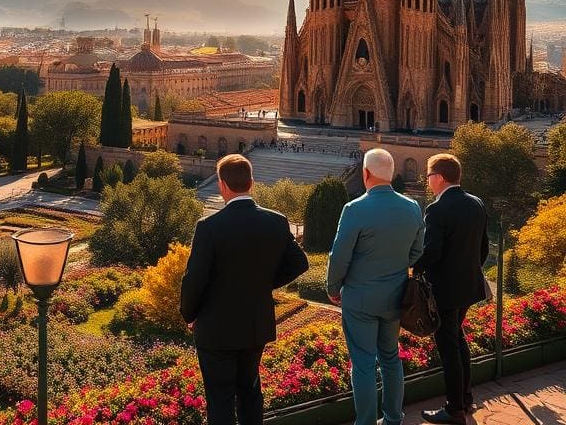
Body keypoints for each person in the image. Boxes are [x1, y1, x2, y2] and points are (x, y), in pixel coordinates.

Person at [180, 154, 309, 425]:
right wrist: (263, 284)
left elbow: (194, 279)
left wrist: (189, 314)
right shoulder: (276, 221)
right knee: (250, 393)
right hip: (254, 325)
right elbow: (300, 262)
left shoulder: (209, 227)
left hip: (216, 328)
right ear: (251, 182)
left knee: (220, 399)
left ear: (222, 185)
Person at [327, 148, 425, 425]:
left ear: (365, 173)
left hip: (359, 299)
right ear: (393, 174)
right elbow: (417, 251)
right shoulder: (412, 207)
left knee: (363, 364)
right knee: (391, 359)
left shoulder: (355, 209)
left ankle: (366, 421)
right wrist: (395, 265)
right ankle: (394, 418)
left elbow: (339, 255)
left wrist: (333, 287)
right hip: (396, 296)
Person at [413, 153, 489, 424]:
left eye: (429, 175)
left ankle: (454, 408)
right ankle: (466, 399)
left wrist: (413, 269)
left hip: (444, 291)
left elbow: (432, 252)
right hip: (468, 287)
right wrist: (466, 272)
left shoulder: (437, 209)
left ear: (440, 177)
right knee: (458, 340)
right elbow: (484, 250)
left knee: (448, 348)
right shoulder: (476, 203)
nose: (427, 180)